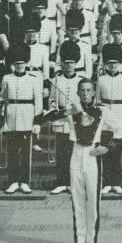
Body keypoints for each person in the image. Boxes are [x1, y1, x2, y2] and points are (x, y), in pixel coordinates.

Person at [67, 79, 110, 243]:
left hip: (92, 155)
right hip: (76, 154)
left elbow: (120, 129)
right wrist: (68, 110)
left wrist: (107, 147)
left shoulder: (102, 111)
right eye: (82, 90)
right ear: (78, 93)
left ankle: (92, 242)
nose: (85, 93)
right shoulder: (72, 111)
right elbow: (46, 117)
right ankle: (79, 240)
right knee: (77, 198)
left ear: (94, 93)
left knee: (92, 200)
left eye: (88, 90)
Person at [0, 46, 43, 194]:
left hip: (27, 117)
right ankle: (12, 181)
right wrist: (2, 118)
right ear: (13, 64)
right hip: (11, 117)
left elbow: (38, 101)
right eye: (17, 63)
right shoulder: (7, 78)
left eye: (22, 63)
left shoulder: (34, 79)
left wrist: (37, 121)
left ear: (26, 63)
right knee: (11, 151)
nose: (19, 66)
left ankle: (24, 181)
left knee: (25, 152)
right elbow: (2, 97)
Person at [95, 43, 122, 195]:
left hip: (120, 114)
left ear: (120, 63)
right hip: (105, 116)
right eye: (110, 63)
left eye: (115, 63)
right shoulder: (101, 79)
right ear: (105, 64)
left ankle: (116, 183)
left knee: (117, 151)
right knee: (105, 149)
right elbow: (97, 100)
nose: (113, 66)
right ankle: (106, 183)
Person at [48, 43, 82, 195]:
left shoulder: (81, 80)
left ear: (76, 64)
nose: (69, 66)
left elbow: (86, 102)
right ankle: (61, 182)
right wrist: (57, 110)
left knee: (75, 154)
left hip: (75, 122)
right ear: (62, 63)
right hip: (61, 121)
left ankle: (73, 183)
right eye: (66, 63)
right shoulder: (56, 80)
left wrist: (75, 110)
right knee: (61, 153)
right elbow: (51, 100)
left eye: (72, 63)